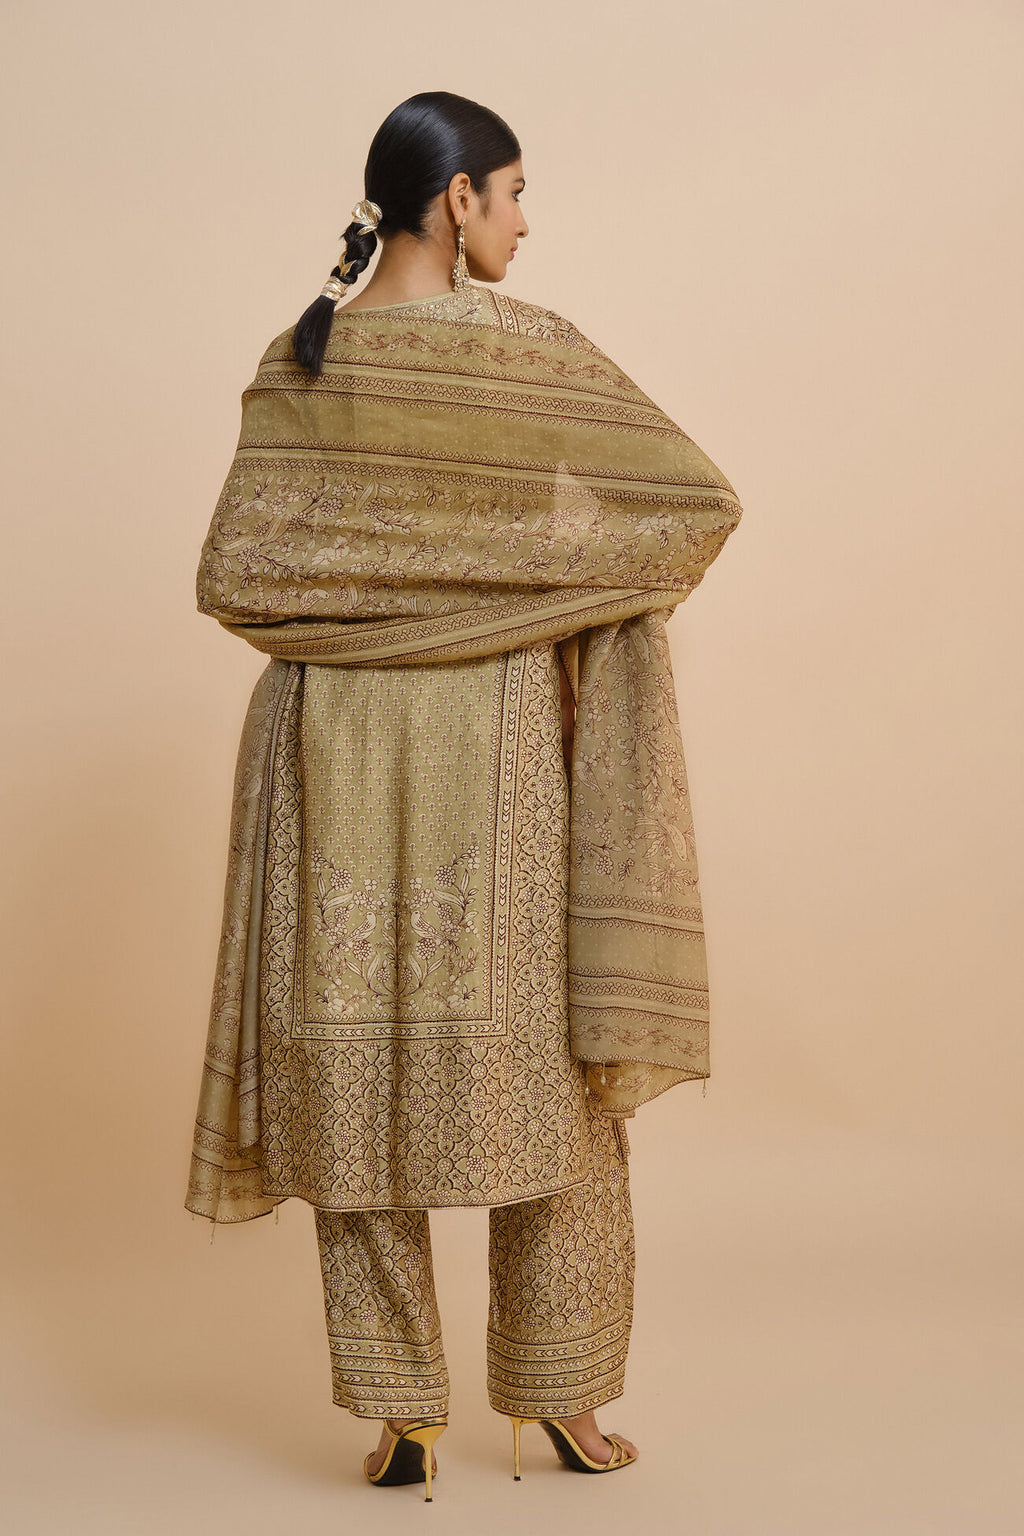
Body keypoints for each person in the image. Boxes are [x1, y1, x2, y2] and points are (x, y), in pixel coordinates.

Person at [184, 90, 743, 1499]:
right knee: (548, 1082)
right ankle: (554, 1399)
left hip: (334, 753)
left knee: (352, 1079)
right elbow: (692, 508)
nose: (524, 220)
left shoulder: (298, 359)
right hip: (492, 751)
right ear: (456, 205)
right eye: (513, 193)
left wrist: (414, 598)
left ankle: (400, 1416)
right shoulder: (527, 354)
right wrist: (534, 594)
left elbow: (241, 577)